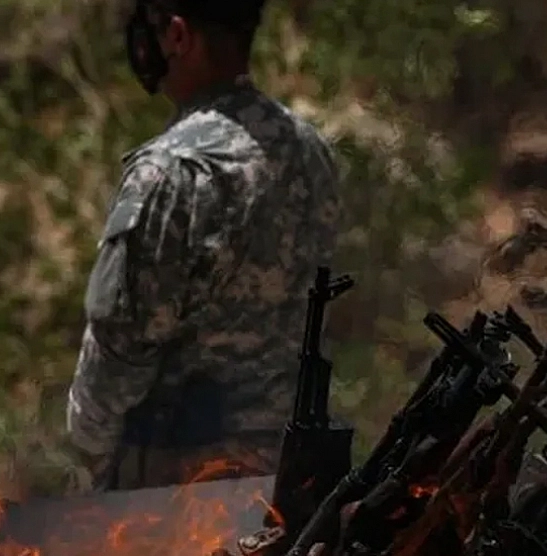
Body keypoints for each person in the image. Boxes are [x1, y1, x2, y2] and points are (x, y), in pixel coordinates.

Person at [66, 0, 342, 490]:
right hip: (288, 478)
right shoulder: (310, 150)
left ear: (178, 36)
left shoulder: (171, 170)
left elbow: (120, 348)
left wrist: (90, 463)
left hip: (180, 494)